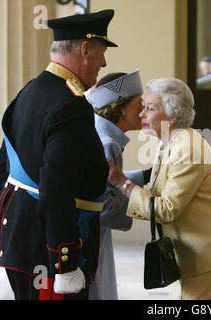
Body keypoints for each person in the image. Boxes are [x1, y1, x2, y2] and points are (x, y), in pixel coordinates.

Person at [0, 10, 118, 300]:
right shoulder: (71, 105)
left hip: (24, 241)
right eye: (102, 52)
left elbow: (3, 167)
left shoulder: (31, 90)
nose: (103, 63)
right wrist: (65, 263)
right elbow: (56, 189)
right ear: (85, 49)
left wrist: (19, 218)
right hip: (48, 255)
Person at [107, 77, 211, 300]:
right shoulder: (172, 142)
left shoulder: (187, 148)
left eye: (151, 108)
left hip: (207, 260)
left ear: (173, 115)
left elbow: (167, 209)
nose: (142, 114)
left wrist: (123, 185)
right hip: (191, 257)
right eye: (143, 105)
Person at [85, 70, 150, 300]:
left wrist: (147, 175)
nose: (143, 111)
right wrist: (137, 195)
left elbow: (112, 181)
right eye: (139, 104)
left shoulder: (101, 132)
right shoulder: (108, 143)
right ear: (121, 107)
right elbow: (104, 205)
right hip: (90, 240)